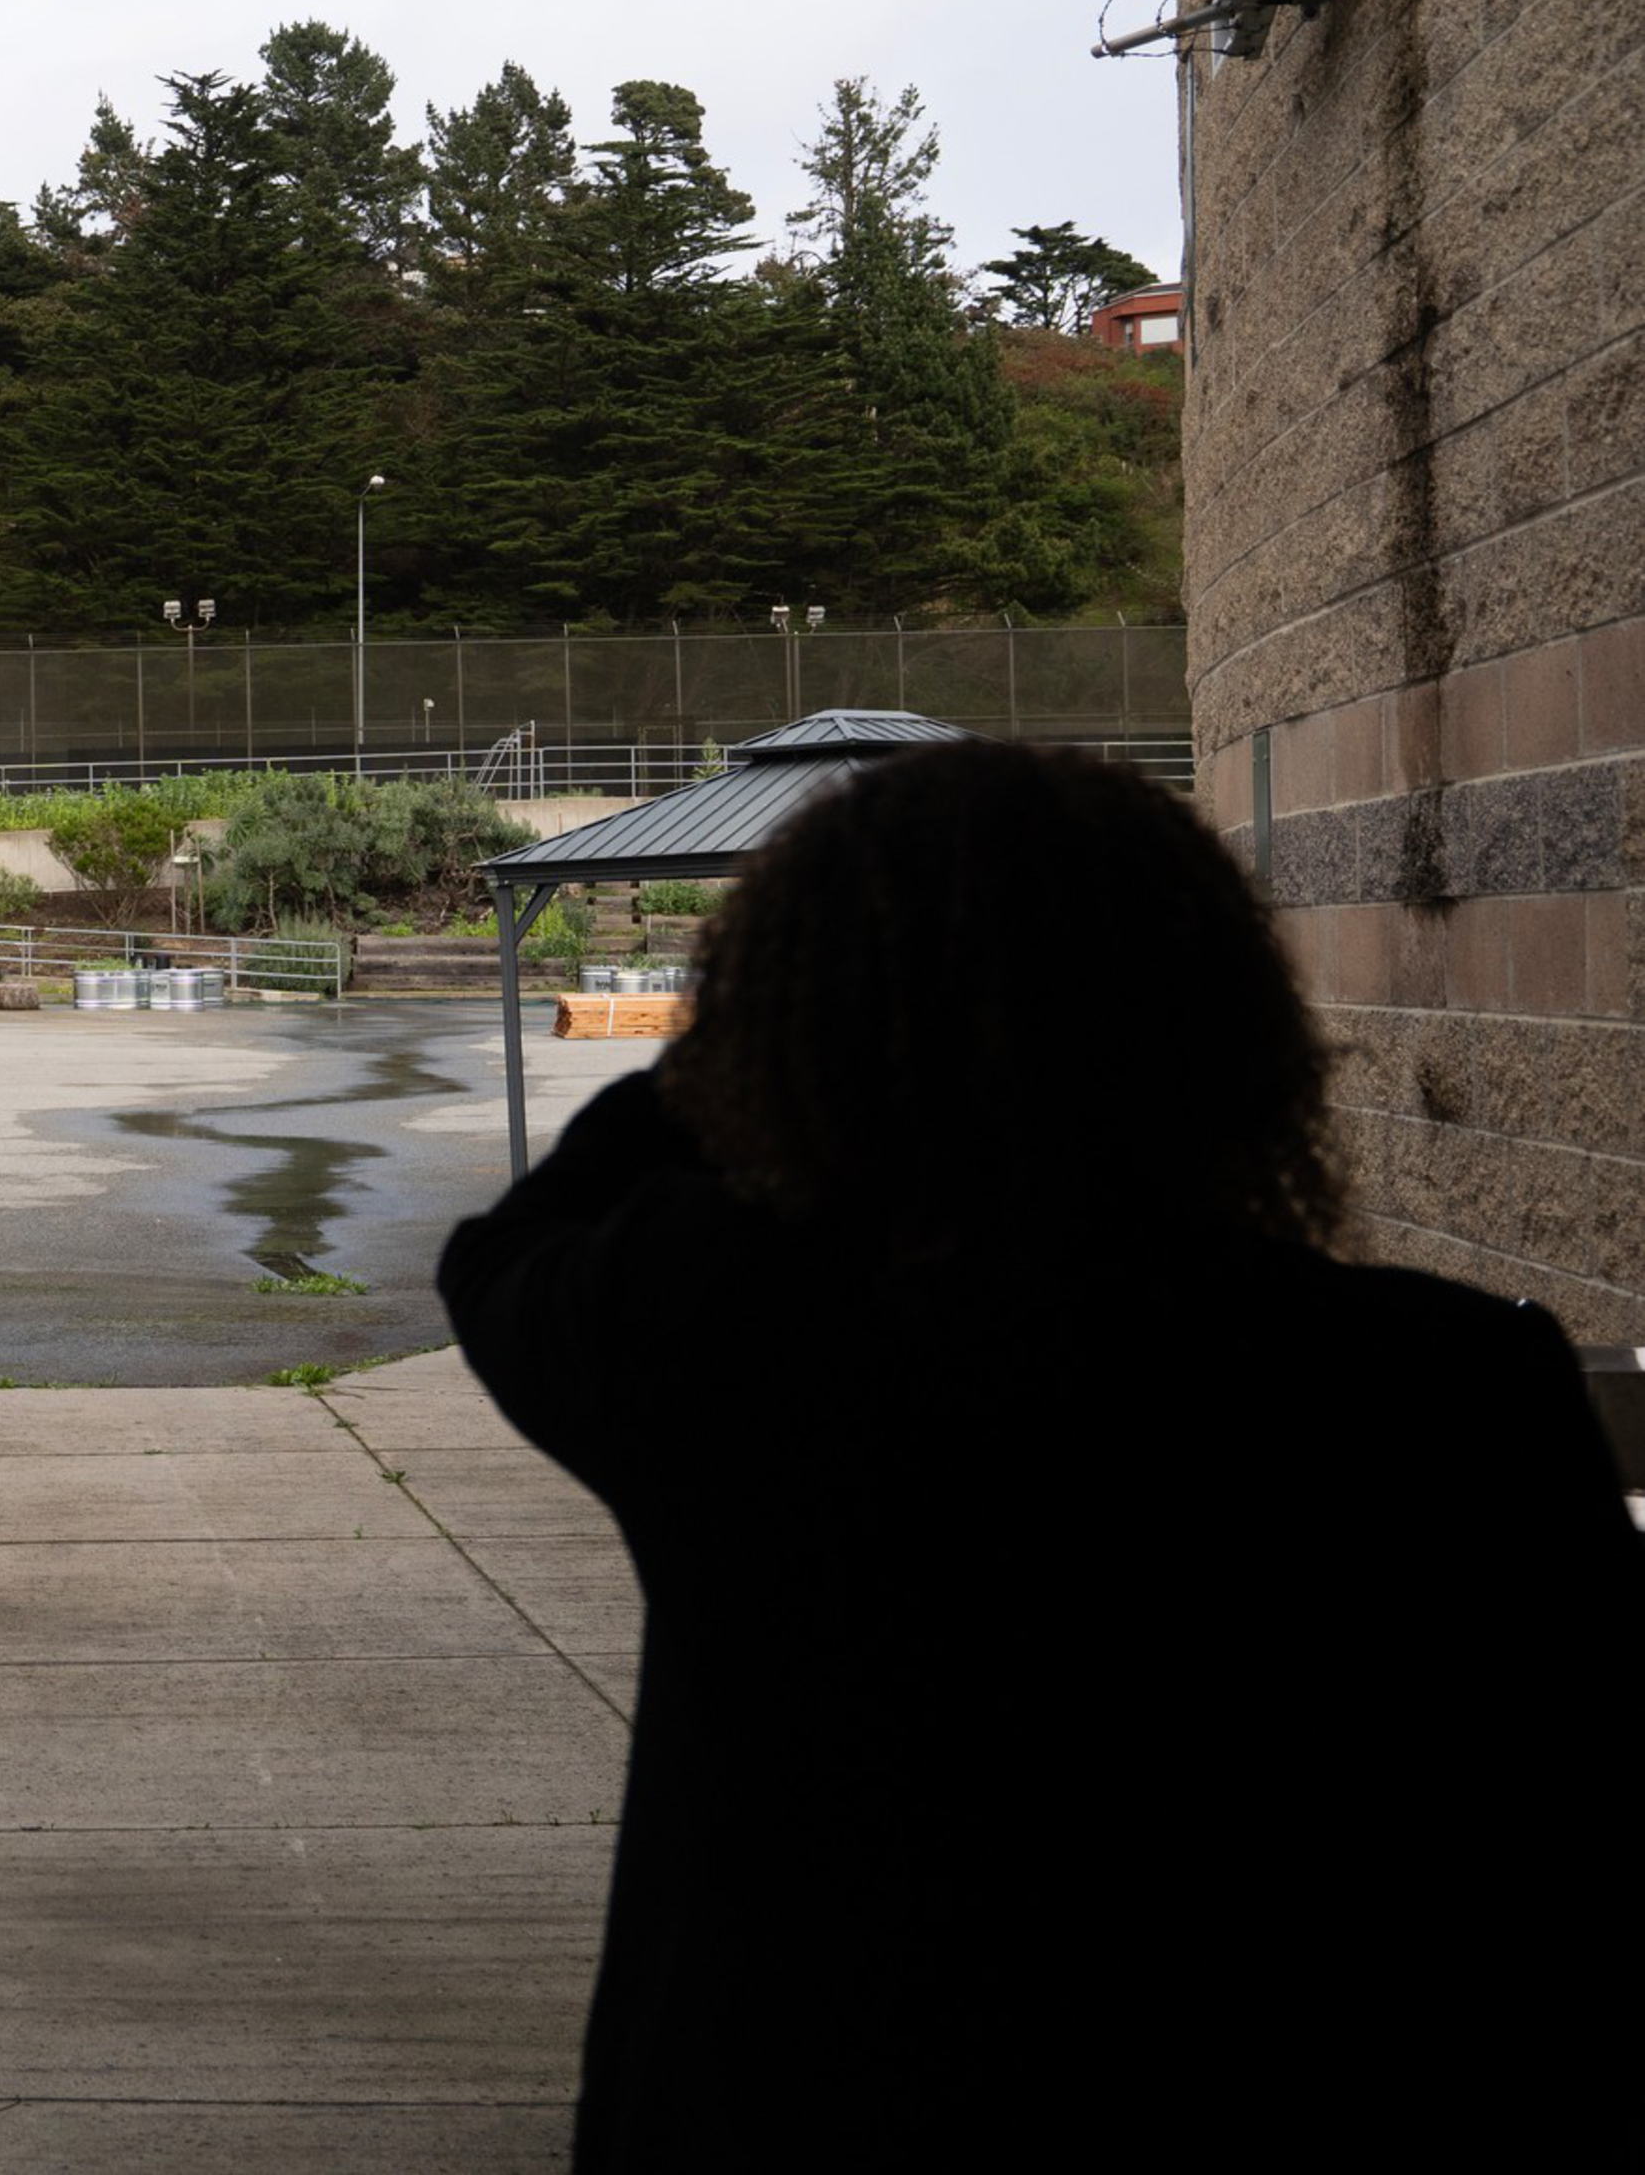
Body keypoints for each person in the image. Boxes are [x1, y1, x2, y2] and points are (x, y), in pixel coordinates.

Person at [437, 740, 1645, 2167]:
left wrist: (744, 1046)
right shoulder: (1448, 1386)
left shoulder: (729, 1336)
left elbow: (510, 1252)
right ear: (1226, 1031)